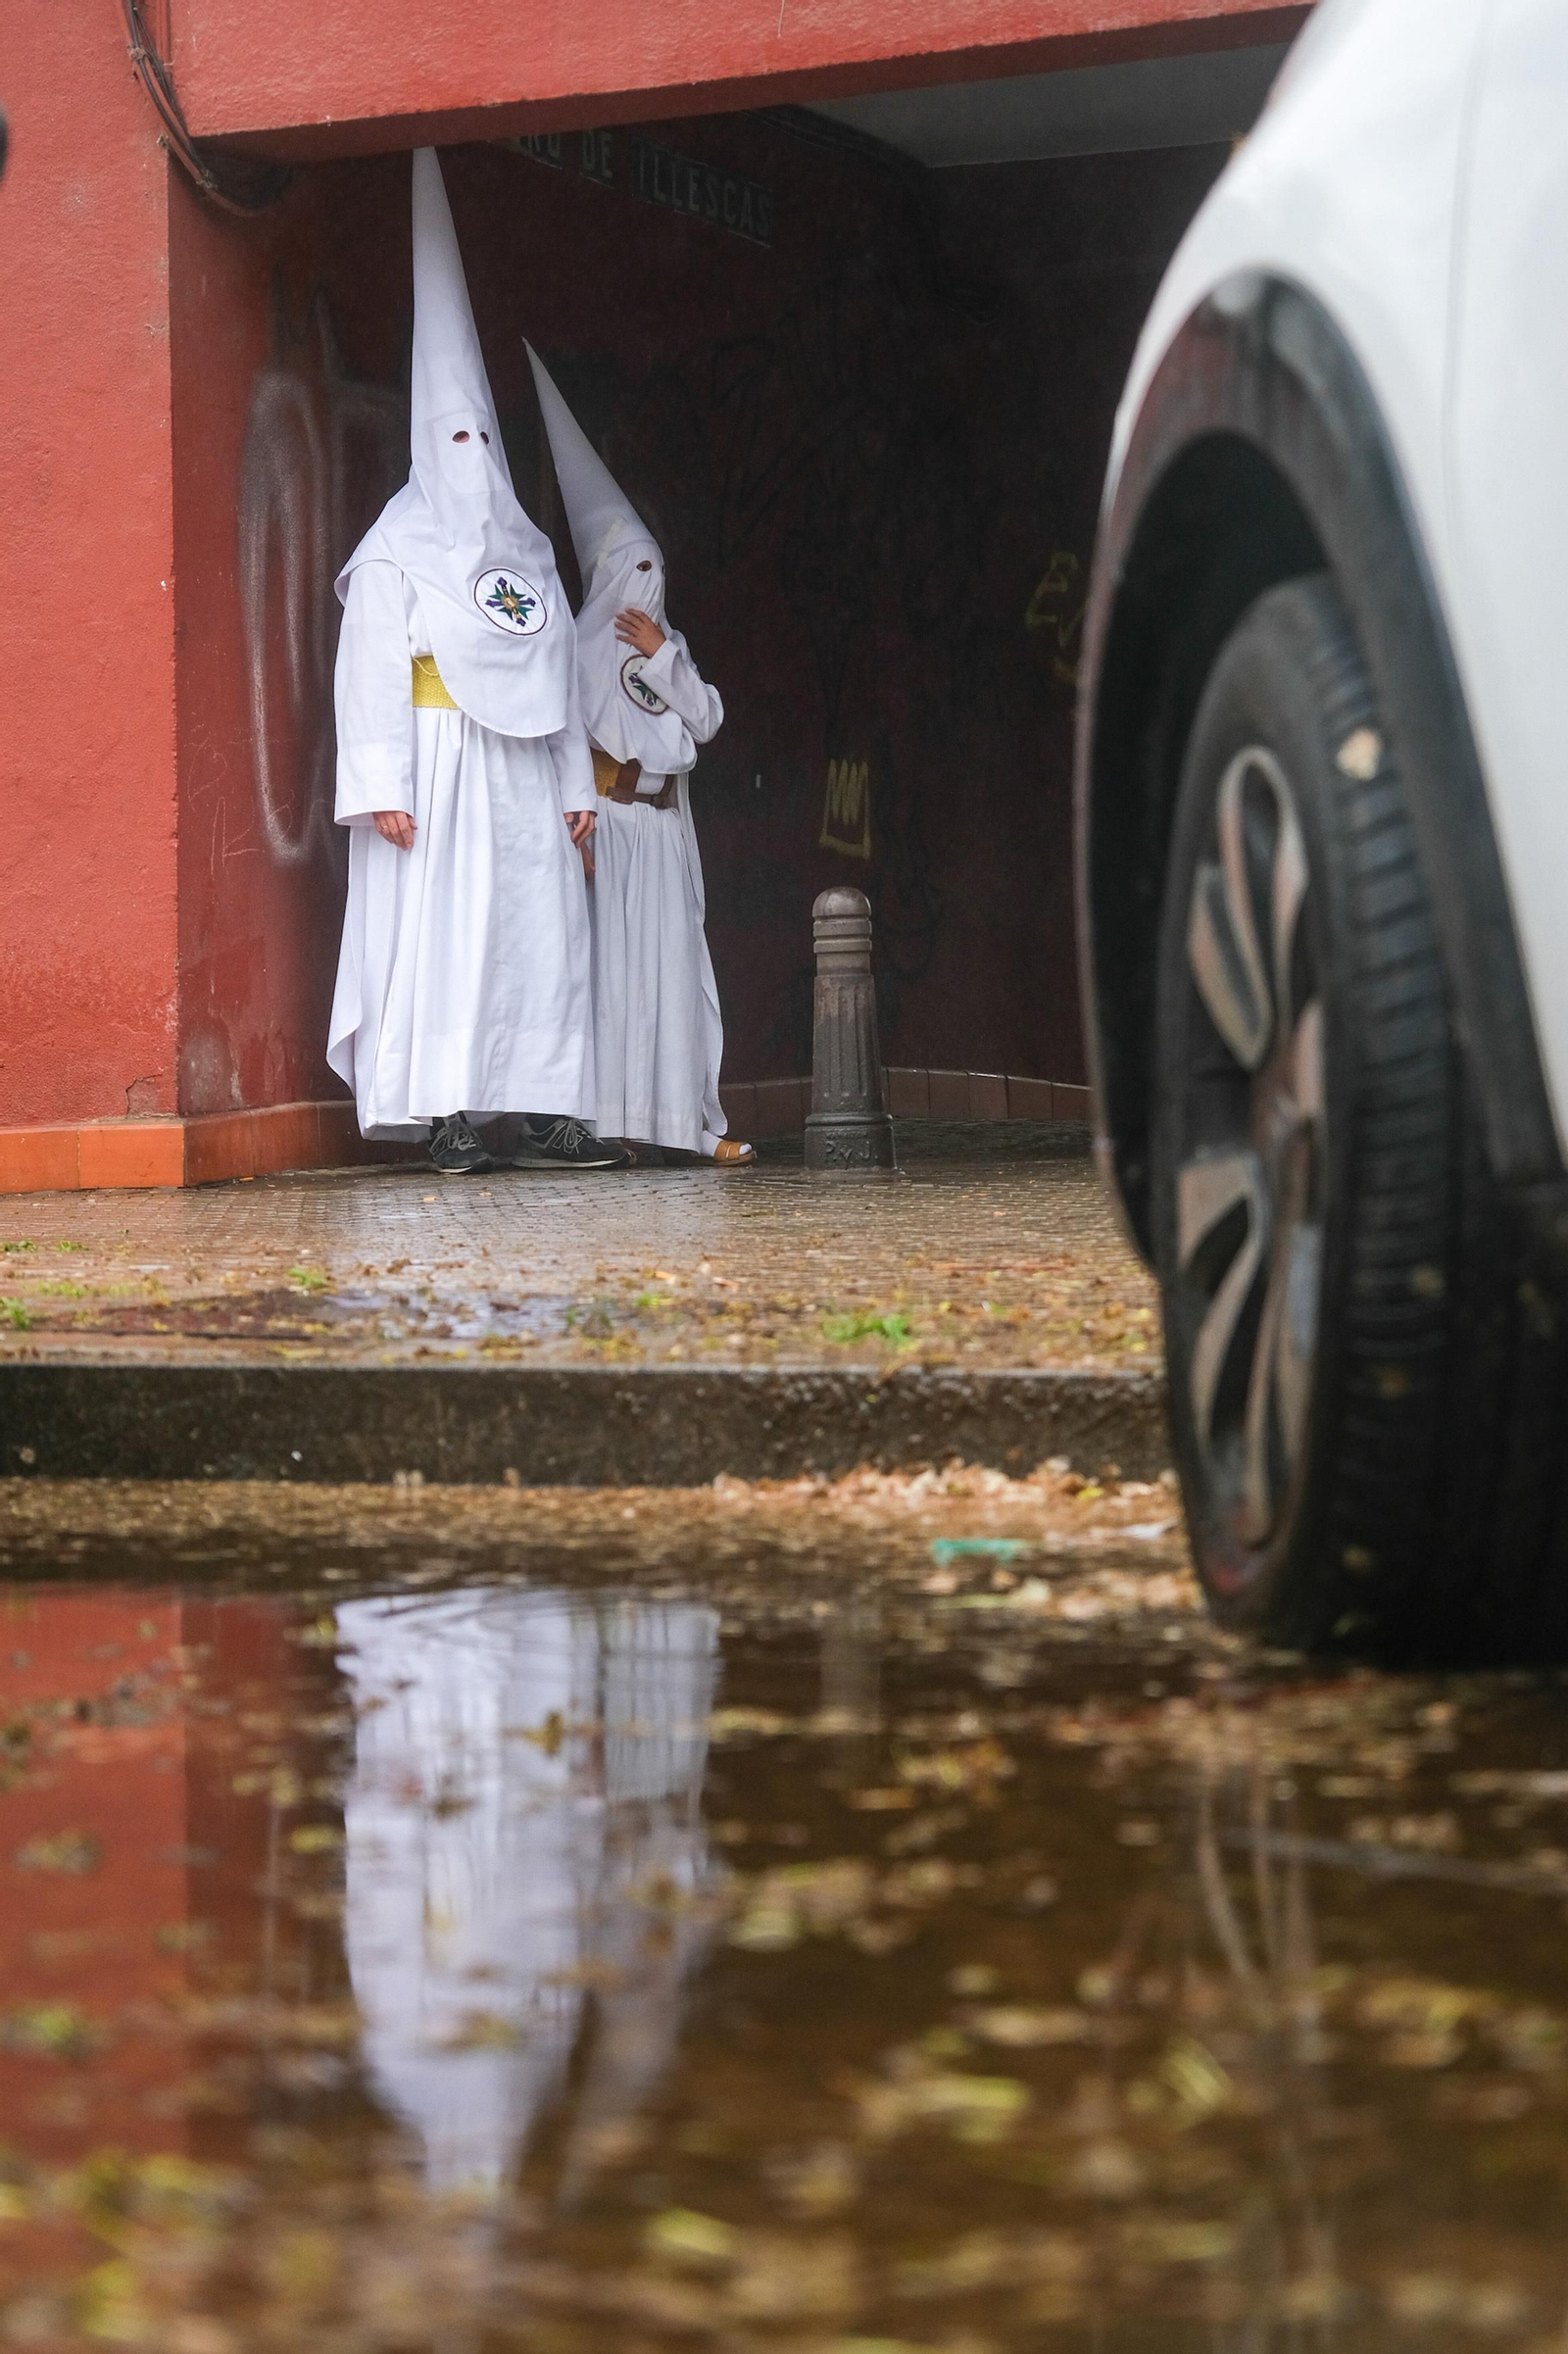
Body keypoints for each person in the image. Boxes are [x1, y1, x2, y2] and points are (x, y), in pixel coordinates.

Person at [327, 150, 627, 1175]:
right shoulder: (393, 551)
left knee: (544, 940)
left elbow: (560, 673)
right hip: (438, 766)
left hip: (527, 774)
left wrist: (578, 781)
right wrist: (381, 785)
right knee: (449, 940)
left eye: (480, 437)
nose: (469, 453)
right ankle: (447, 1110)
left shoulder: (531, 551)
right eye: (450, 436)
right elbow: (367, 674)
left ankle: (548, 1110)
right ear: (427, 442)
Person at [526, 345, 755, 1165]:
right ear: (612, 571)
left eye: (657, 567)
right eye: (636, 567)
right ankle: (606, 1122)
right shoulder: (579, 645)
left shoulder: (670, 646)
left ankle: (684, 1125)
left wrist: (662, 653)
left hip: (664, 830)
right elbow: (558, 731)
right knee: (612, 983)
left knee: (669, 982)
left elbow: (708, 719)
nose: (648, 582)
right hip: (611, 827)